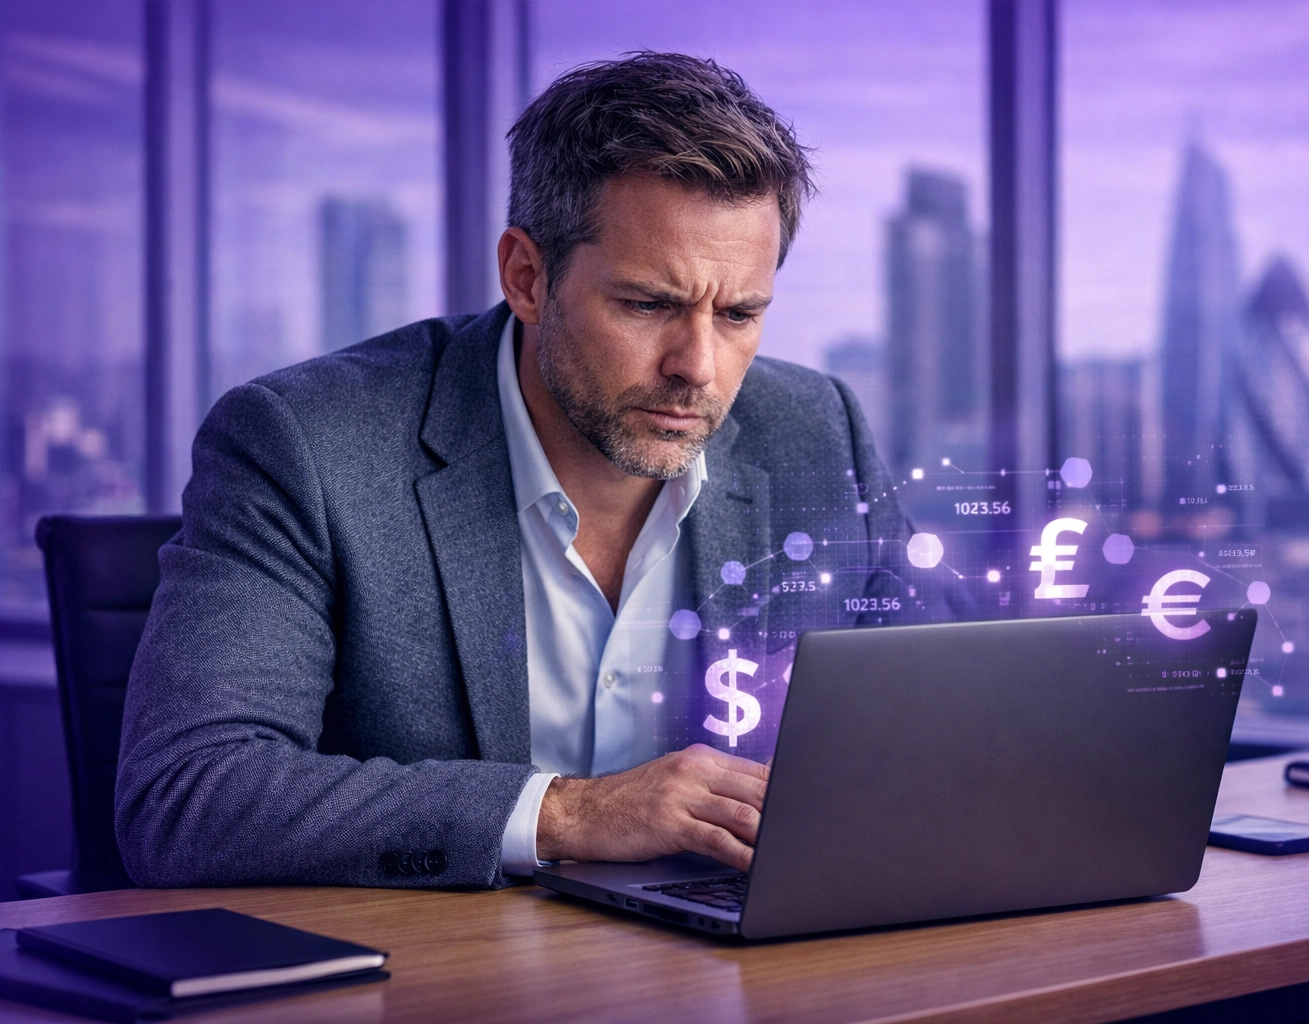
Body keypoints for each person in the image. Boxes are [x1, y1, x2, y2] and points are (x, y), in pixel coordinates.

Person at [116, 52, 911, 889]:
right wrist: (572, 813)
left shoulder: (818, 429)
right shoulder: (304, 444)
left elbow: (948, 712)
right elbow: (187, 796)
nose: (699, 367)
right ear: (527, 277)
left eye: (741, 314)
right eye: (648, 305)